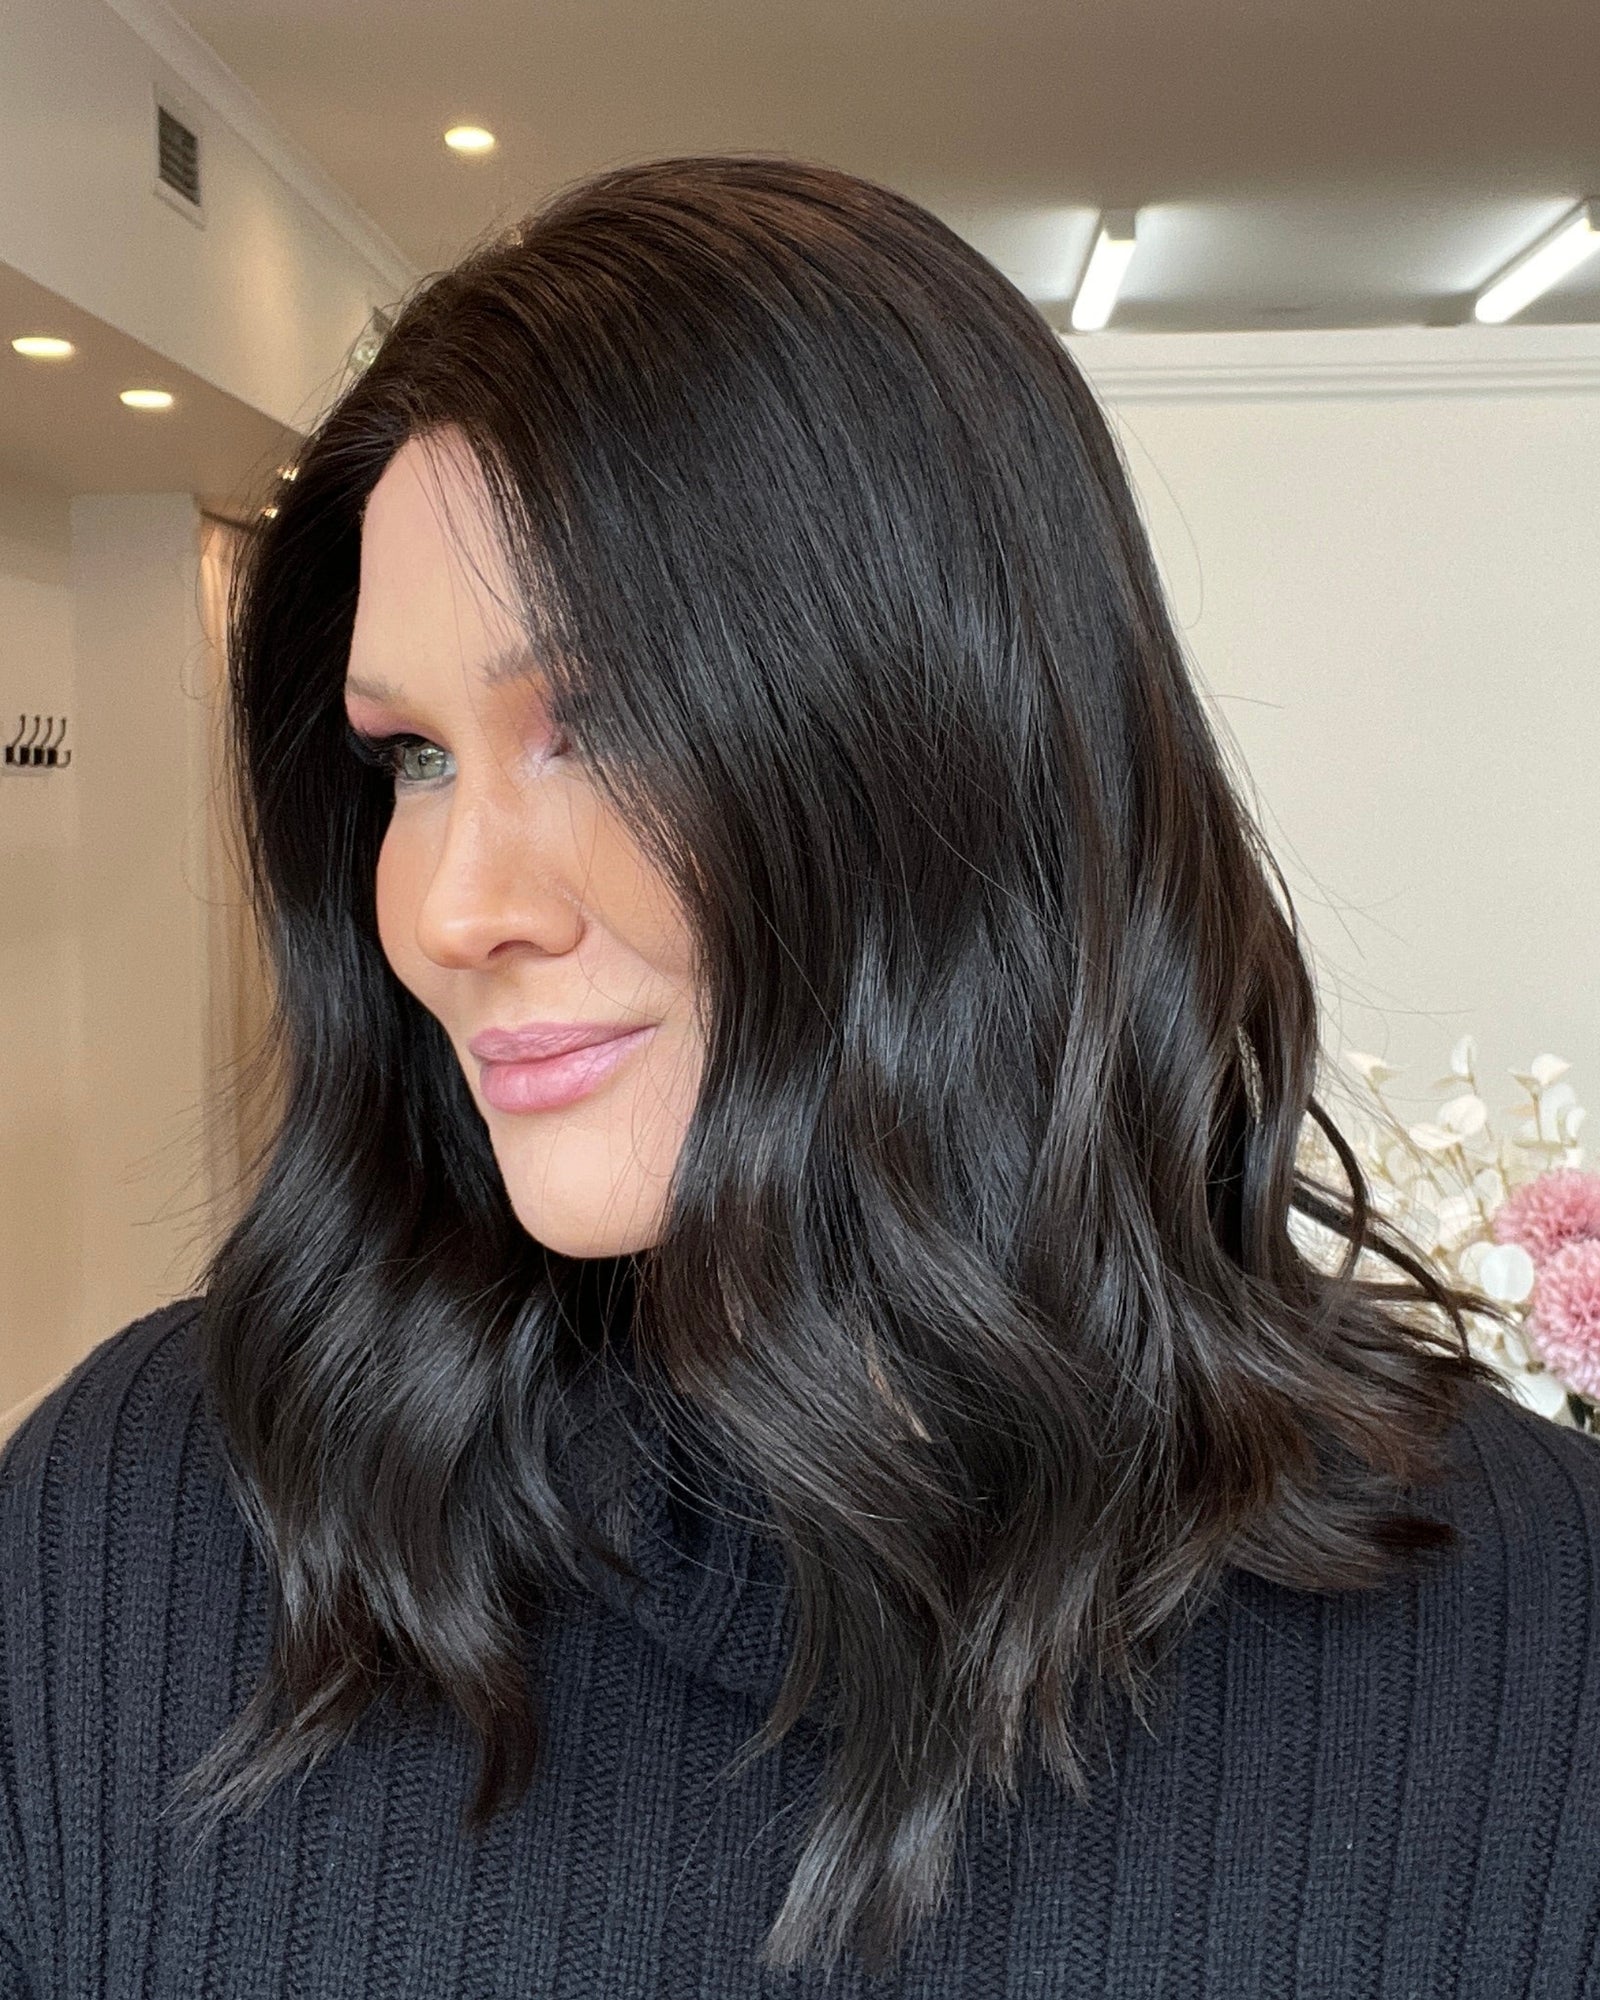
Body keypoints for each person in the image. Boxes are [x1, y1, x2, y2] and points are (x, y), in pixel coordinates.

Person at [3, 153, 1598, 1999]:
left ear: (941, 755)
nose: (449, 908)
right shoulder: (132, 1542)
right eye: (412, 758)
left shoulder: (1538, 1651)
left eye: (592, 721)